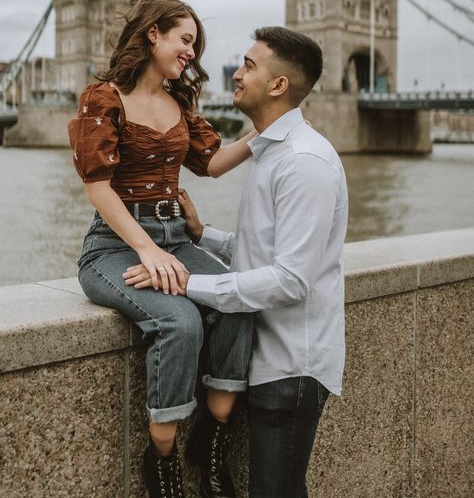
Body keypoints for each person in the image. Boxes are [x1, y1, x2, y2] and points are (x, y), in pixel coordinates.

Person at [124, 26, 349, 498]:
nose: (238, 72)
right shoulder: (272, 150)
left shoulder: (304, 162)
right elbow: (262, 249)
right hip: (265, 358)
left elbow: (290, 280)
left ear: (278, 85)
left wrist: (186, 284)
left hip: (292, 366)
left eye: (249, 65)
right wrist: (205, 236)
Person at [68, 0, 255, 498]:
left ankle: (211, 442)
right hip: (114, 247)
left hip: (175, 237)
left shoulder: (180, 102)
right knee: (180, 321)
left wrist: (267, 133)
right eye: (185, 39)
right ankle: (163, 459)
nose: (192, 52)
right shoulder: (102, 97)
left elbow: (211, 163)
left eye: (195, 44)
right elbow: (97, 187)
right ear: (154, 34)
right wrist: (148, 252)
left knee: (238, 300)